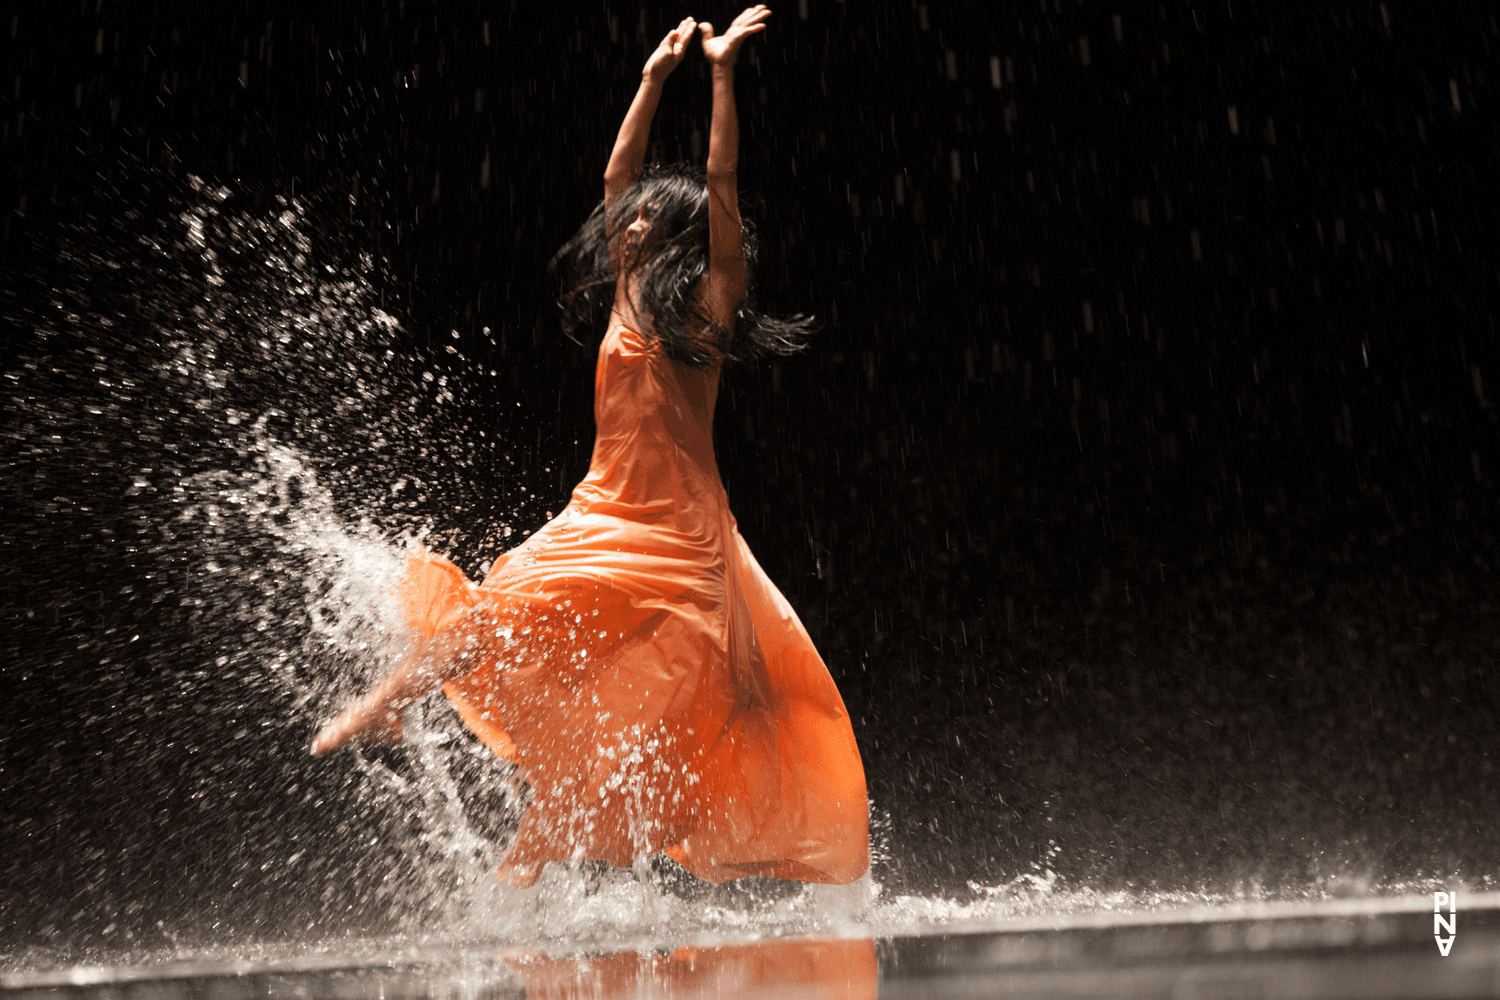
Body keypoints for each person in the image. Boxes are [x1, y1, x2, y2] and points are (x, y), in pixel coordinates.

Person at [312, 6, 868, 890]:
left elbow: (722, 182)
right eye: (632, 216)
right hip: (599, 510)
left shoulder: (707, 304)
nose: (631, 220)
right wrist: (651, 80)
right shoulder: (627, 295)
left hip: (680, 539)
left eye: (648, 216)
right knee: (494, 609)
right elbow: (615, 171)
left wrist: (720, 72)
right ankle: (387, 710)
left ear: (676, 233)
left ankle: (538, 884)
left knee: (634, 727)